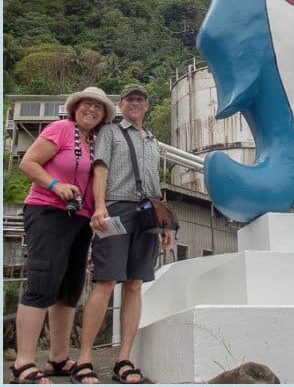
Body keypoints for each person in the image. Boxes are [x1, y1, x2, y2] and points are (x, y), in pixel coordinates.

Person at [10, 87, 115, 384]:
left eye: (98, 107)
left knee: (70, 288)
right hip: (49, 212)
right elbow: (28, 162)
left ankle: (57, 357)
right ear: (75, 107)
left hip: (80, 219)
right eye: (87, 104)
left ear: (104, 115)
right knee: (42, 280)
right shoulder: (61, 129)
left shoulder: (95, 142)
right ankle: (24, 362)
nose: (92, 110)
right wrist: (55, 184)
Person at [72, 84, 173, 385]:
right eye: (130, 98)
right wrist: (100, 206)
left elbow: (156, 186)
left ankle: (124, 360)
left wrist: (165, 225)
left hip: (147, 215)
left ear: (147, 105)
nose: (135, 103)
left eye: (140, 99)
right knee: (104, 281)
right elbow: (99, 170)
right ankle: (84, 359)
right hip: (116, 207)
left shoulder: (153, 142)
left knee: (134, 284)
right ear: (121, 104)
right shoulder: (111, 132)